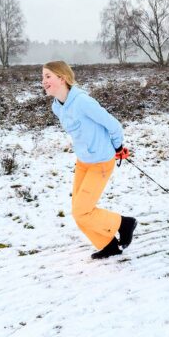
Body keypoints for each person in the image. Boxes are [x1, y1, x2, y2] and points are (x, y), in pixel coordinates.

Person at [43, 60, 136, 259]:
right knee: (78, 211)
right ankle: (108, 244)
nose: (43, 81)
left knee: (81, 211)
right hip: (83, 161)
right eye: (43, 77)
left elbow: (113, 125)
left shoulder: (82, 102)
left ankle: (124, 223)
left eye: (48, 76)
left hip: (101, 161)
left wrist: (118, 146)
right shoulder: (57, 107)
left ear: (62, 78)